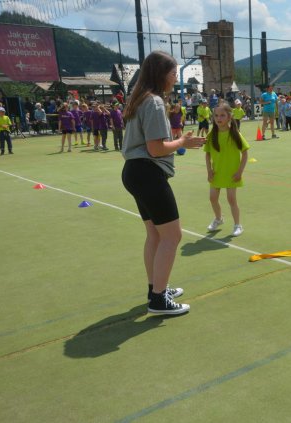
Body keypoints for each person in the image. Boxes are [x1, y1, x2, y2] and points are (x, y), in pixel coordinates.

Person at [121, 50, 205, 315]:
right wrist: (183, 142)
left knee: (155, 235)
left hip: (134, 171)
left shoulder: (139, 98)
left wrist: (179, 141)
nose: (174, 78)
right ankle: (158, 299)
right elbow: (156, 149)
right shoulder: (155, 102)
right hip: (147, 172)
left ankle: (155, 288)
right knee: (172, 235)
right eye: (172, 73)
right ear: (161, 75)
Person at [204, 102, 250, 237]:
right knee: (212, 198)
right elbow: (207, 154)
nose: (219, 118)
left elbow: (245, 153)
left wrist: (239, 172)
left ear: (229, 117)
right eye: (216, 115)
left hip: (232, 174)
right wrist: (209, 171)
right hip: (216, 173)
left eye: (222, 115)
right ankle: (218, 219)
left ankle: (237, 225)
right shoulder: (212, 135)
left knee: (231, 199)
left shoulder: (235, 134)